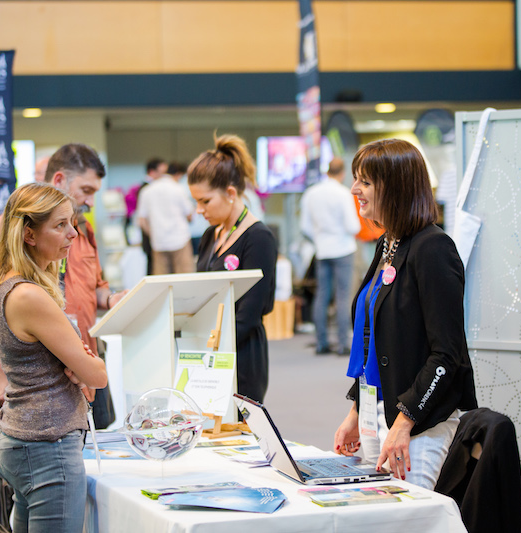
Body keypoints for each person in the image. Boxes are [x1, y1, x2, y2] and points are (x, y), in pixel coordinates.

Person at [333, 139, 477, 490]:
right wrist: (356, 409)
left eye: (365, 182)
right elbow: (373, 340)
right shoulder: (388, 243)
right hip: (376, 412)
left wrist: (405, 421)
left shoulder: (432, 249)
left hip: (417, 424)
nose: (354, 189)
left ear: (394, 188)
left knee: (410, 516)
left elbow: (447, 354)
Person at [0, 182, 107, 533]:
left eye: (72, 223)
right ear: (29, 234)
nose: (73, 233)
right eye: (60, 225)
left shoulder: (6, 286)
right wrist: (85, 365)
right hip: (46, 444)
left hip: (25, 437)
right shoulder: (29, 296)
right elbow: (97, 376)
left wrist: (77, 363)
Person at [0, 143, 126, 410]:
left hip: (83, 356)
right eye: (86, 191)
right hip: (48, 381)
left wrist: (113, 299)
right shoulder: (9, 230)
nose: (91, 202)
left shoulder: (82, 229)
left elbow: (94, 287)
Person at [187, 134, 277, 403]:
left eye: (205, 201)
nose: (199, 210)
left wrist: (213, 351)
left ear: (230, 193)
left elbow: (249, 314)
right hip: (209, 350)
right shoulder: (210, 236)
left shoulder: (259, 237)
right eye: (196, 201)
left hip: (241, 354)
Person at [299, 157, 360, 355]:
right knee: (343, 296)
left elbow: (304, 227)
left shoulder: (311, 193)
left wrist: (319, 238)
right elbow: (353, 226)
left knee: (321, 295)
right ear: (342, 173)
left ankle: (321, 342)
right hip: (343, 249)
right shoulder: (343, 194)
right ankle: (343, 344)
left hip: (322, 249)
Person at [137, 161, 195, 274]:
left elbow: (142, 221)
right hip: (180, 240)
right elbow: (190, 214)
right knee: (185, 279)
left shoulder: (146, 191)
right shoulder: (178, 188)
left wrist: (153, 233)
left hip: (158, 243)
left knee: (162, 283)